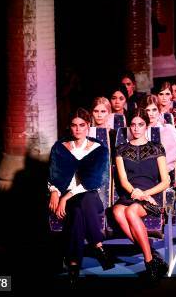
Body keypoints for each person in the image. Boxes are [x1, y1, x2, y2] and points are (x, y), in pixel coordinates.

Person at [47, 108, 114, 284]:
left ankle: (73, 263)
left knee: (84, 200)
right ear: (70, 127)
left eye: (82, 125)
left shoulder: (99, 149)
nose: (78, 129)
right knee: (76, 211)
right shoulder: (59, 148)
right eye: (74, 125)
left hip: (90, 196)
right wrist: (54, 191)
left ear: (88, 126)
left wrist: (64, 197)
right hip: (70, 201)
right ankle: (98, 247)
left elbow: (92, 182)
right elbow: (53, 174)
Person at [112, 108, 170, 282]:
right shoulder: (121, 149)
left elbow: (166, 181)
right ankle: (150, 251)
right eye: (133, 125)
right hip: (130, 193)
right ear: (129, 126)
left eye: (140, 124)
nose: (136, 128)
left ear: (147, 126)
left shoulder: (156, 148)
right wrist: (135, 192)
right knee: (117, 212)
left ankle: (149, 262)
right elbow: (123, 180)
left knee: (130, 212)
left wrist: (144, 194)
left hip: (151, 195)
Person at [143, 94, 176, 183]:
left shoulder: (167, 129)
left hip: (162, 174)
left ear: (159, 111)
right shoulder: (138, 130)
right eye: (148, 110)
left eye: (154, 110)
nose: (151, 114)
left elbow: (174, 156)